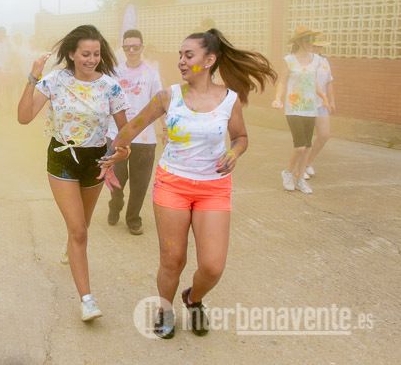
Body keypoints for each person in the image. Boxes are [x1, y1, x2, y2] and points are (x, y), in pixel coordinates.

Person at [100, 28, 276, 339]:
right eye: (180, 55)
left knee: (212, 266)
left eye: (189, 55)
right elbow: (131, 128)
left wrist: (234, 152)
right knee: (173, 260)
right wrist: (113, 153)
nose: (181, 60)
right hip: (173, 185)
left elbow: (241, 137)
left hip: (214, 188)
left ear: (209, 60)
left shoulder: (229, 99)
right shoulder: (169, 96)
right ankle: (165, 309)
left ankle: (193, 299)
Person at [17, 24, 129, 322]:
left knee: (83, 225)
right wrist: (33, 77)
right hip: (63, 158)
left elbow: (124, 132)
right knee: (78, 230)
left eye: (96, 54)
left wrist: (123, 151)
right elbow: (24, 117)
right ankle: (87, 300)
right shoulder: (55, 81)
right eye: (85, 54)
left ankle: (72, 246)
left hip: (96, 160)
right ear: (71, 54)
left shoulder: (110, 87)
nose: (91, 59)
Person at [106, 29, 165, 235]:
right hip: (117, 135)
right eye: (127, 47)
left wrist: (165, 128)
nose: (131, 51)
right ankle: (115, 204)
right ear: (123, 48)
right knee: (117, 179)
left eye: (135, 47)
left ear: (142, 47)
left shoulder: (151, 73)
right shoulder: (114, 73)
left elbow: (161, 102)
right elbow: (106, 102)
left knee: (140, 184)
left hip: (145, 137)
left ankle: (133, 218)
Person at [272, 26, 326, 194]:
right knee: (300, 147)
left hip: (310, 108)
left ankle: (300, 178)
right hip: (293, 108)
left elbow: (314, 82)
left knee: (308, 147)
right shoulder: (289, 60)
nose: (312, 43)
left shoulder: (316, 60)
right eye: (308, 40)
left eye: (312, 40)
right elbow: (282, 81)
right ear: (300, 41)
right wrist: (277, 98)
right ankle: (288, 173)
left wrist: (324, 97)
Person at [305, 37, 335, 177]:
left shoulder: (324, 61)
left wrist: (331, 101)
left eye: (320, 46)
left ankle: (307, 163)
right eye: (315, 46)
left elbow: (329, 82)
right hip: (306, 104)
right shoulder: (305, 60)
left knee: (324, 135)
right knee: (305, 139)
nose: (318, 49)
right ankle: (299, 168)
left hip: (321, 104)